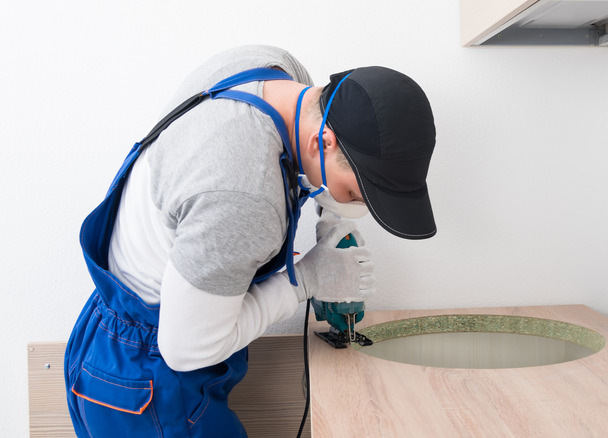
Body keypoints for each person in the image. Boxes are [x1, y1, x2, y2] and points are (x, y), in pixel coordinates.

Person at [63, 45, 437, 437]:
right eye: (355, 195)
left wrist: (331, 217)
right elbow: (188, 349)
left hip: (112, 338)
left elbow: (303, 158)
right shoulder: (245, 196)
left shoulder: (274, 71)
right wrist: (308, 279)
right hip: (148, 380)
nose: (356, 205)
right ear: (322, 142)